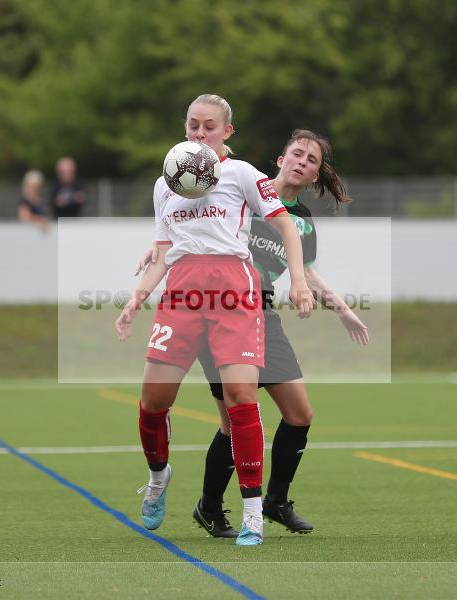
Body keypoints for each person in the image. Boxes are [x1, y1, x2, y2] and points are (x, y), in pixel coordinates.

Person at [136, 130, 368, 538]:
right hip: (222, 310)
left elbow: (306, 272)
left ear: (316, 174)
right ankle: (210, 507)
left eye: (311, 160)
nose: (302, 162)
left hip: (264, 315)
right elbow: (188, 223)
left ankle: (276, 501)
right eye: (296, 153)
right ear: (280, 159)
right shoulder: (243, 189)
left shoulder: (301, 222)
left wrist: (344, 310)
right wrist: (160, 249)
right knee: (232, 420)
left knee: (299, 414)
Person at [115, 94, 314, 546]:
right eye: (193, 125)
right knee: (152, 403)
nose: (200, 134)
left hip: (233, 290)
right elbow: (164, 250)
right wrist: (136, 298)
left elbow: (286, 226)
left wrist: (299, 281)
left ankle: (252, 514)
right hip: (182, 292)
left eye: (209, 126)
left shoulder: (243, 174)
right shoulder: (167, 181)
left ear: (227, 131)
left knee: (242, 397)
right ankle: (158, 477)